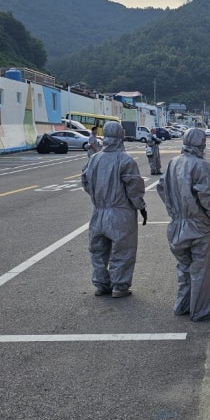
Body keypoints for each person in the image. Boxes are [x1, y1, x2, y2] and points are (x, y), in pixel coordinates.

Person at [156, 128, 210, 322]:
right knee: (200, 270)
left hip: (176, 225)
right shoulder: (202, 166)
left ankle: (182, 305)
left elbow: (162, 187)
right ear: (201, 143)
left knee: (184, 267)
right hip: (198, 225)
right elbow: (208, 197)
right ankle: (201, 311)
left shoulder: (172, 164)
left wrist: (174, 209)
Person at [81, 121, 147, 298]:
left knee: (98, 251)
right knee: (123, 251)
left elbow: (85, 182)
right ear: (121, 136)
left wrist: (99, 198)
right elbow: (134, 188)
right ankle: (119, 286)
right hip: (121, 212)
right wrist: (140, 206)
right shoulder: (126, 160)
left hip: (99, 211)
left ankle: (101, 284)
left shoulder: (94, 159)